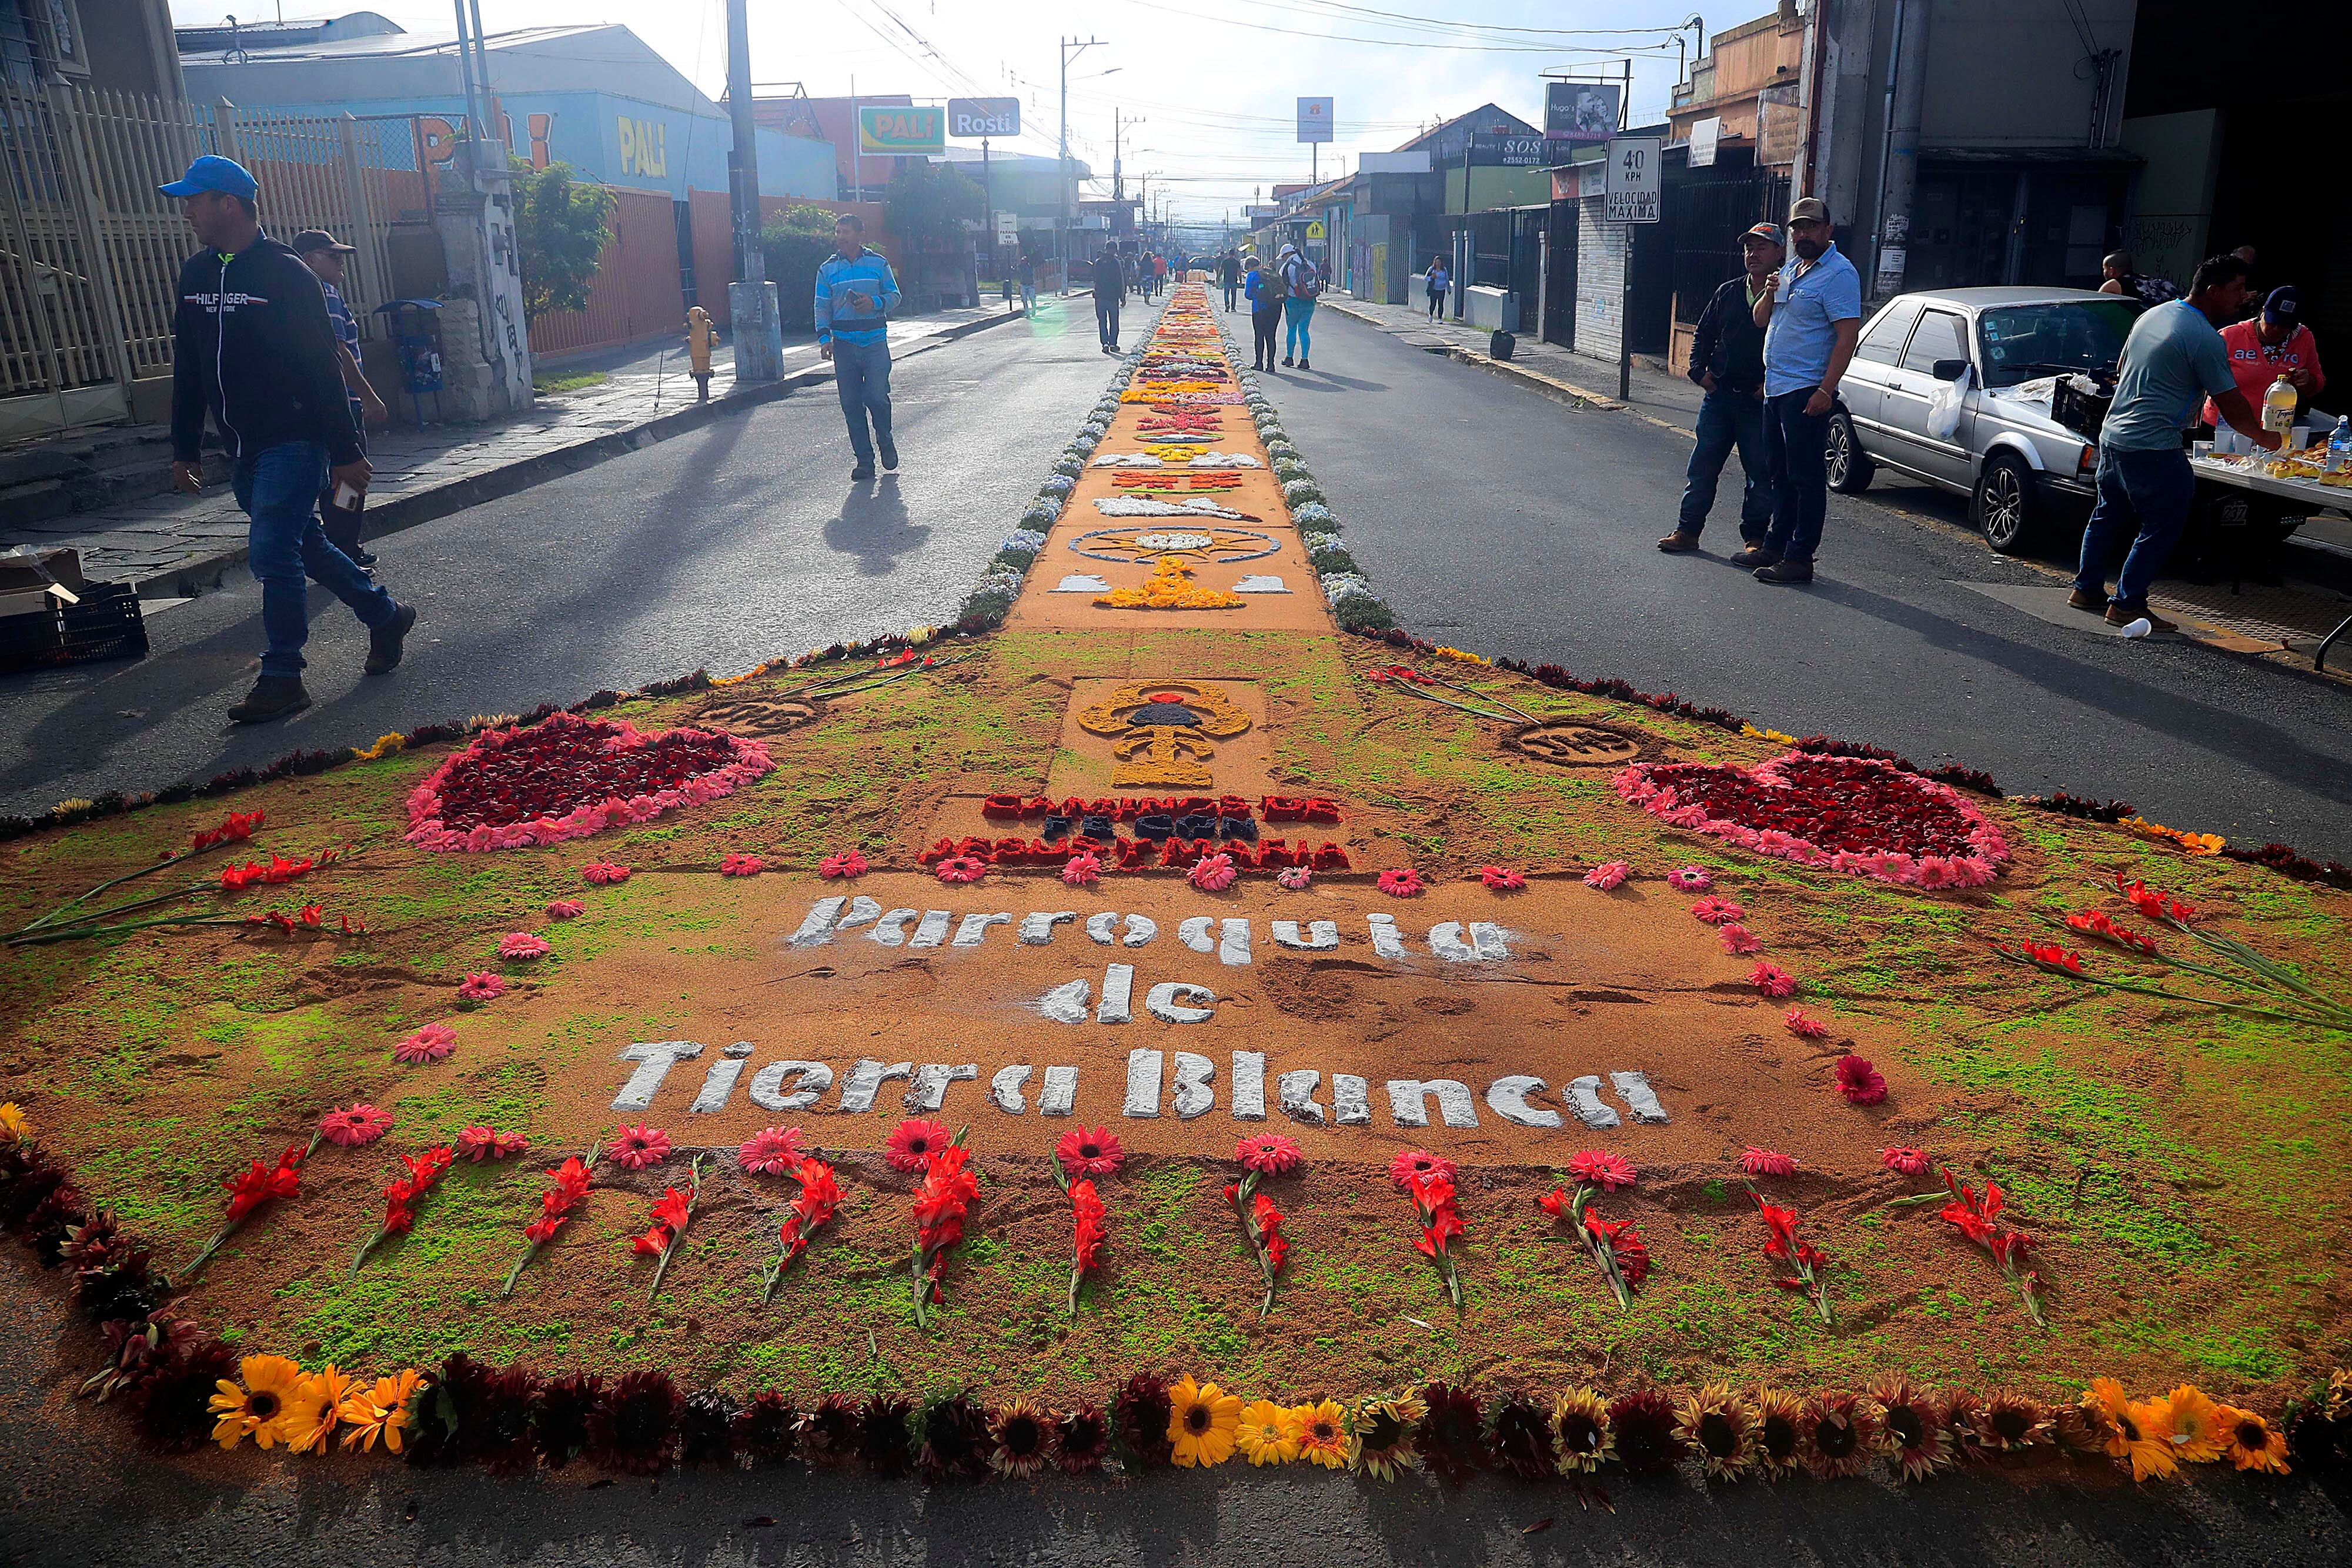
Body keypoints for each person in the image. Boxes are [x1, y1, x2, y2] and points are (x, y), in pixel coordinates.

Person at [162, 155, 413, 724]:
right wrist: (184, 448)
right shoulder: (196, 274)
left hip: (295, 439)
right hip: (242, 446)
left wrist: (345, 451)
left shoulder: (287, 273)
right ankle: (386, 615)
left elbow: (323, 364)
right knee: (306, 545)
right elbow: (190, 366)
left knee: (272, 552)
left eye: (195, 200)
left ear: (229, 203)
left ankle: (283, 677)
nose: (187, 211)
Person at [2072, 253, 2279, 631]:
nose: (2243, 297)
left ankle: (2086, 589)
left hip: (2114, 432)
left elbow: (2123, 367)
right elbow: (2231, 404)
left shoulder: (2154, 315)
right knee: (2164, 521)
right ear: (2213, 291)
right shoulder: (2203, 337)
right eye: (2236, 289)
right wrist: (2267, 437)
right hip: (2152, 442)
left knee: (2108, 512)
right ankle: (2127, 603)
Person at [1742, 196, 1863, 586]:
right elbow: (1760, 320)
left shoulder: (1839, 274)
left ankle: (1800, 557)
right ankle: (1775, 547)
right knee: (1778, 473)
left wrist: (1826, 390)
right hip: (1776, 388)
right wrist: (1769, 291)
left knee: (1806, 478)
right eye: (1797, 228)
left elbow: (1847, 337)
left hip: (1807, 389)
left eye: (1811, 227)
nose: (1803, 234)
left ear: (1828, 230)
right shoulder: (1792, 269)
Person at [1660, 223, 1783, 556]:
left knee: (1759, 474)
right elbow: (1704, 333)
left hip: (1758, 402)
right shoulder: (1728, 291)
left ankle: (1755, 539)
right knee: (1702, 468)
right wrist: (1698, 372)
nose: (1753, 254)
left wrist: (1769, 384)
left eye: (1761, 248)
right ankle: (1687, 531)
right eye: (1748, 248)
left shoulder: (1786, 294)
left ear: (1779, 253)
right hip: (1719, 398)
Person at [291, 227, 388, 569]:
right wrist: (368, 397)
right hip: (343, 403)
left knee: (325, 480)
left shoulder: (293, 295)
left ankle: (333, 547)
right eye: (333, 257)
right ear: (309, 260)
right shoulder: (325, 293)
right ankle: (345, 548)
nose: (340, 264)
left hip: (308, 405)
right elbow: (338, 351)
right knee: (351, 479)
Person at [814, 213, 901, 481]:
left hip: (874, 343)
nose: (841, 237)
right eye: (838, 232)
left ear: (860, 235)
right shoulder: (827, 269)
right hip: (843, 346)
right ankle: (865, 462)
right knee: (851, 405)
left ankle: (885, 438)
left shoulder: (878, 263)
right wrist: (825, 339)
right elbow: (821, 306)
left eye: (846, 232)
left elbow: (895, 296)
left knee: (876, 397)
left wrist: (874, 303)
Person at [2201, 285, 2324, 430]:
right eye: (2273, 323)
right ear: (2262, 313)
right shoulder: (2229, 336)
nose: (2277, 330)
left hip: (2273, 427)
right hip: (2222, 426)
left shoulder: (2303, 338)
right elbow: (2201, 377)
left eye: (2285, 326)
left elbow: (2318, 382)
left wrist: (2308, 381)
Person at [1279, 243, 1319, 371]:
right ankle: (1305, 359)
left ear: (1287, 254)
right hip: (1309, 301)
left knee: (1291, 329)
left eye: (1283, 257)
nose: (1283, 259)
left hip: (1293, 301)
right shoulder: (1310, 264)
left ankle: (1289, 358)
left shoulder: (1286, 267)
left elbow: (1282, 285)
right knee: (1304, 330)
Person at [1245, 252, 1284, 371]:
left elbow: (1247, 294)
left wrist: (1258, 296)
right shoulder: (1270, 273)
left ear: (1250, 266)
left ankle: (1259, 363)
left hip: (1259, 310)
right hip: (1275, 308)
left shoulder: (1252, 275)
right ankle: (1271, 365)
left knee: (1259, 336)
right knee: (1271, 337)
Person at [2099, 251, 2179, 306]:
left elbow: (2096, 310)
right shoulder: (2151, 282)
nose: (2104, 272)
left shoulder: (2113, 284)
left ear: (2112, 271)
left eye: (2104, 269)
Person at [1092, 243, 1126, 355]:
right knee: (1113, 321)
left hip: (1100, 297)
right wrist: (1122, 297)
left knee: (1102, 321)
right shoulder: (1116, 262)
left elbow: (1095, 279)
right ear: (1115, 250)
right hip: (1112, 297)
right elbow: (1121, 280)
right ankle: (1112, 343)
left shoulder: (1098, 262)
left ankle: (1105, 343)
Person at [1425, 254, 1449, 320]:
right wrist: (1431, 278)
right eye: (1436, 262)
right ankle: (1431, 314)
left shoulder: (1444, 270)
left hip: (1442, 289)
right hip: (1434, 289)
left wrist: (1448, 288)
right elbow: (1426, 278)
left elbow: (1447, 279)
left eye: (1439, 262)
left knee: (1441, 304)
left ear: (1441, 263)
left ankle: (1440, 318)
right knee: (1433, 303)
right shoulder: (1432, 269)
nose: (1438, 264)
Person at [1220, 248, 1241, 312]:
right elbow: (1239, 272)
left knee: (1226, 294)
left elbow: (1221, 270)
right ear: (1234, 254)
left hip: (1226, 280)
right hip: (1234, 280)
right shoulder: (1237, 262)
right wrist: (1240, 280)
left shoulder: (1225, 261)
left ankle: (1227, 305)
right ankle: (1233, 308)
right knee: (1234, 294)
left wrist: (1218, 277)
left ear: (1228, 254)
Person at [1017, 250, 1037, 315]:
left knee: (1032, 298)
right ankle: (1027, 311)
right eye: (1022, 261)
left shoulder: (1030, 266)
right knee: (1024, 299)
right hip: (1023, 285)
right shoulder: (1020, 267)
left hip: (1031, 285)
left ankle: (1034, 309)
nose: (1023, 262)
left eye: (1024, 261)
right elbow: (1017, 258)